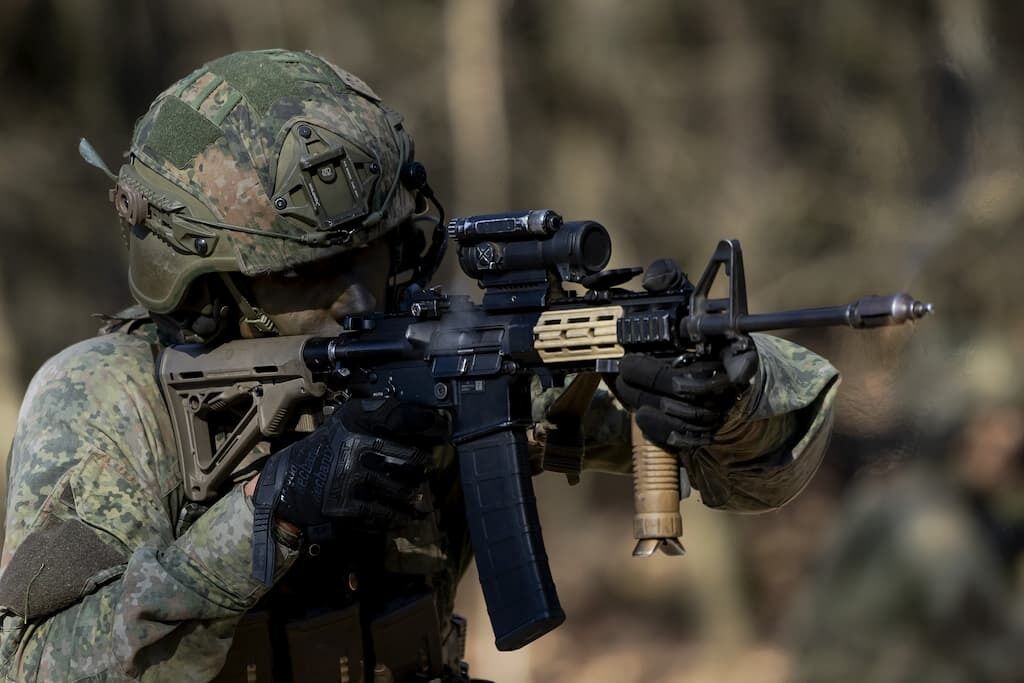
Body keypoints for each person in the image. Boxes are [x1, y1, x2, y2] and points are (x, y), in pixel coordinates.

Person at [0, 49, 839, 682]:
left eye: (383, 252)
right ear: (204, 278)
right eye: (311, 272)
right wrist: (266, 517)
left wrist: (726, 394)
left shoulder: (451, 359)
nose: (362, 296)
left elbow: (770, 470)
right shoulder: (110, 399)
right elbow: (33, 665)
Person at [788, 404, 1024, 683]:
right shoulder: (935, 522)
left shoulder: (895, 492)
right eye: (989, 446)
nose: (995, 462)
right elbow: (961, 607)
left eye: (1010, 456)